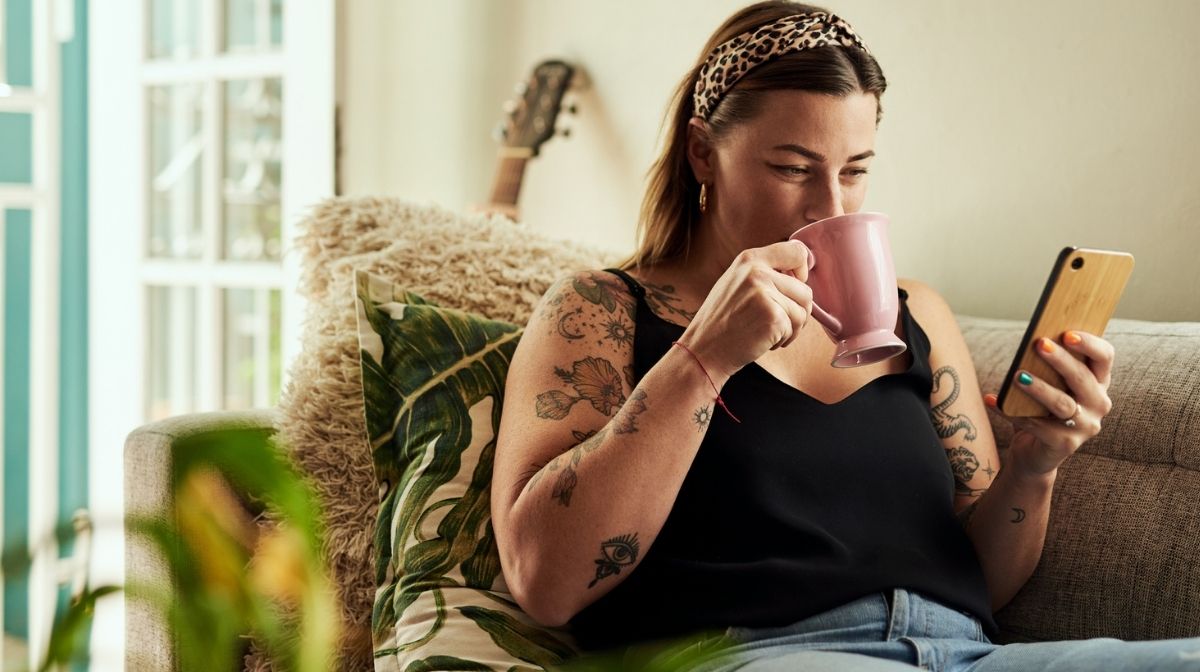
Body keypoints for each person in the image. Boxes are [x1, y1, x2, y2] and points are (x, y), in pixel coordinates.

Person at [490, 3, 1200, 670]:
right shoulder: (604, 310)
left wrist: (1035, 466)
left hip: (962, 653)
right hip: (756, 654)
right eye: (792, 168)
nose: (828, 206)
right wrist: (705, 358)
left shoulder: (915, 313)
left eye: (855, 171)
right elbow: (545, 583)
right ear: (703, 153)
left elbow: (985, 583)